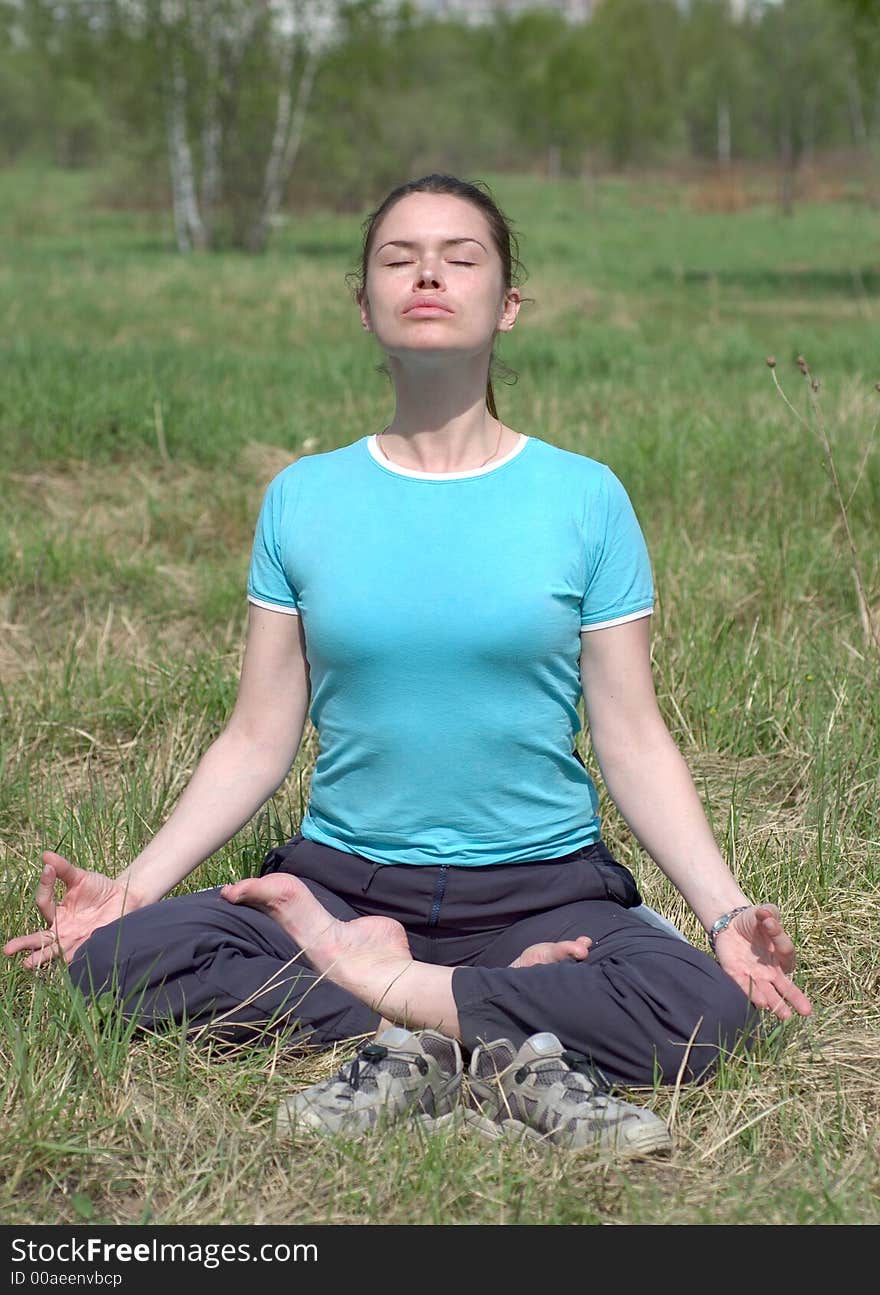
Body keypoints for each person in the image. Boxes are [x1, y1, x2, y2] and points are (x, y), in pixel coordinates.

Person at [4, 174, 812, 1154]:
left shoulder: (583, 497)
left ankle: (392, 1001)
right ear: (364, 303)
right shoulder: (303, 498)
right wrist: (128, 891)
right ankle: (496, 1020)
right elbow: (257, 736)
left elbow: (632, 734)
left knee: (707, 1005)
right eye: (398, 256)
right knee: (113, 963)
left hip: (542, 889)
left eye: (460, 255)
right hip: (343, 887)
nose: (428, 272)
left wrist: (722, 910)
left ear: (507, 302)